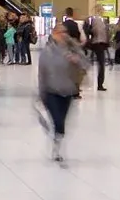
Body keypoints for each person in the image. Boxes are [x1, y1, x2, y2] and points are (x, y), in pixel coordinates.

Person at [37, 22, 88, 161]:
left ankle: (57, 142)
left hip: (68, 90)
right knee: (58, 121)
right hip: (51, 91)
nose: (63, 35)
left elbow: (86, 64)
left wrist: (76, 61)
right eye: (59, 32)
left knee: (62, 122)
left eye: (64, 32)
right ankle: (56, 146)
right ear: (54, 34)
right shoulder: (47, 52)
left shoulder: (74, 49)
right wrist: (41, 93)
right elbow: (42, 73)